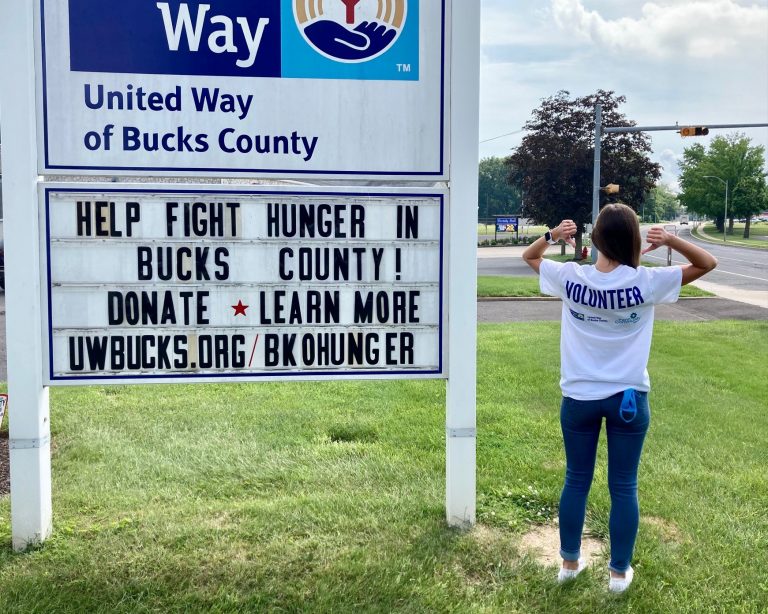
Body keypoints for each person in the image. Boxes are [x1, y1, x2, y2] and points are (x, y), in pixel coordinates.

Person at [522, 204, 717, 593]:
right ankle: (617, 574)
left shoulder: (571, 276)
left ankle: (569, 564)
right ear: (632, 239)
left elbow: (529, 256)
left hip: (578, 396)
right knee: (624, 486)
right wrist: (673, 240)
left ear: (595, 239)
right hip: (628, 397)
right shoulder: (646, 281)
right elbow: (707, 263)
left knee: (576, 480)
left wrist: (551, 237)